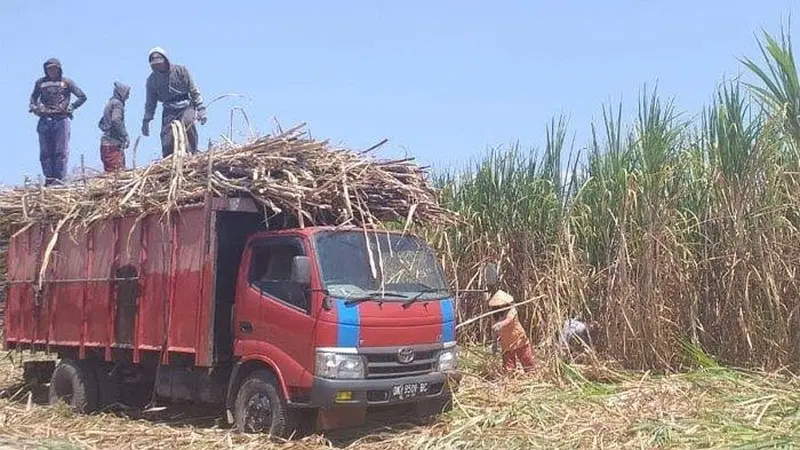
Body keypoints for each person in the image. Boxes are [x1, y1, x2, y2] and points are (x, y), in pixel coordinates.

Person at [29, 58, 87, 185]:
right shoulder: (40, 83)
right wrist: (35, 108)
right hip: (45, 119)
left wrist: (72, 107)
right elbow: (33, 98)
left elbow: (82, 96)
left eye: (54, 68)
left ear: (59, 69)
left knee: (60, 151)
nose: (52, 71)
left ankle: (59, 179)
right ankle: (49, 179)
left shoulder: (66, 82)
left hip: (61, 118)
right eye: (49, 69)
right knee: (45, 151)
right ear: (46, 70)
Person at [142, 47, 207, 157]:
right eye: (155, 64)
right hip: (169, 109)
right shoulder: (152, 80)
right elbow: (150, 103)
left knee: (188, 124)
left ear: (165, 60)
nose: (158, 66)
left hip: (186, 105)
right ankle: (169, 158)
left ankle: (192, 153)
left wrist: (201, 109)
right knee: (167, 135)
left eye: (159, 62)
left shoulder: (181, 70)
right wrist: (146, 121)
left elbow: (193, 90)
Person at [489, 289, 535, 373]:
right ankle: (510, 379)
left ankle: (531, 374)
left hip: (518, 338)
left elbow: (509, 320)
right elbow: (494, 330)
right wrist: (494, 342)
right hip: (506, 342)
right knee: (509, 366)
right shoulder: (495, 315)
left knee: (527, 360)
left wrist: (501, 324)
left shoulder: (512, 310)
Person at [98, 82, 131, 172]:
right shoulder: (117, 104)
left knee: (111, 173)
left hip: (106, 145)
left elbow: (101, 123)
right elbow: (116, 120)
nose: (128, 97)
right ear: (121, 93)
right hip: (113, 146)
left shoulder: (110, 104)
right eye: (127, 94)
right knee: (116, 174)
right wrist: (125, 135)